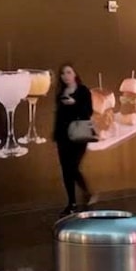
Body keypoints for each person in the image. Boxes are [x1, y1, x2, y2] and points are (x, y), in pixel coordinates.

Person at [53, 63, 93, 215]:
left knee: (73, 167)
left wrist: (74, 103)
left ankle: (86, 192)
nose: (66, 76)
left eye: (69, 72)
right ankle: (72, 203)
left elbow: (88, 112)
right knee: (66, 170)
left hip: (79, 135)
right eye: (63, 73)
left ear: (75, 74)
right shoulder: (60, 93)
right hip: (63, 137)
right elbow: (59, 116)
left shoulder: (83, 91)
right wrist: (56, 135)